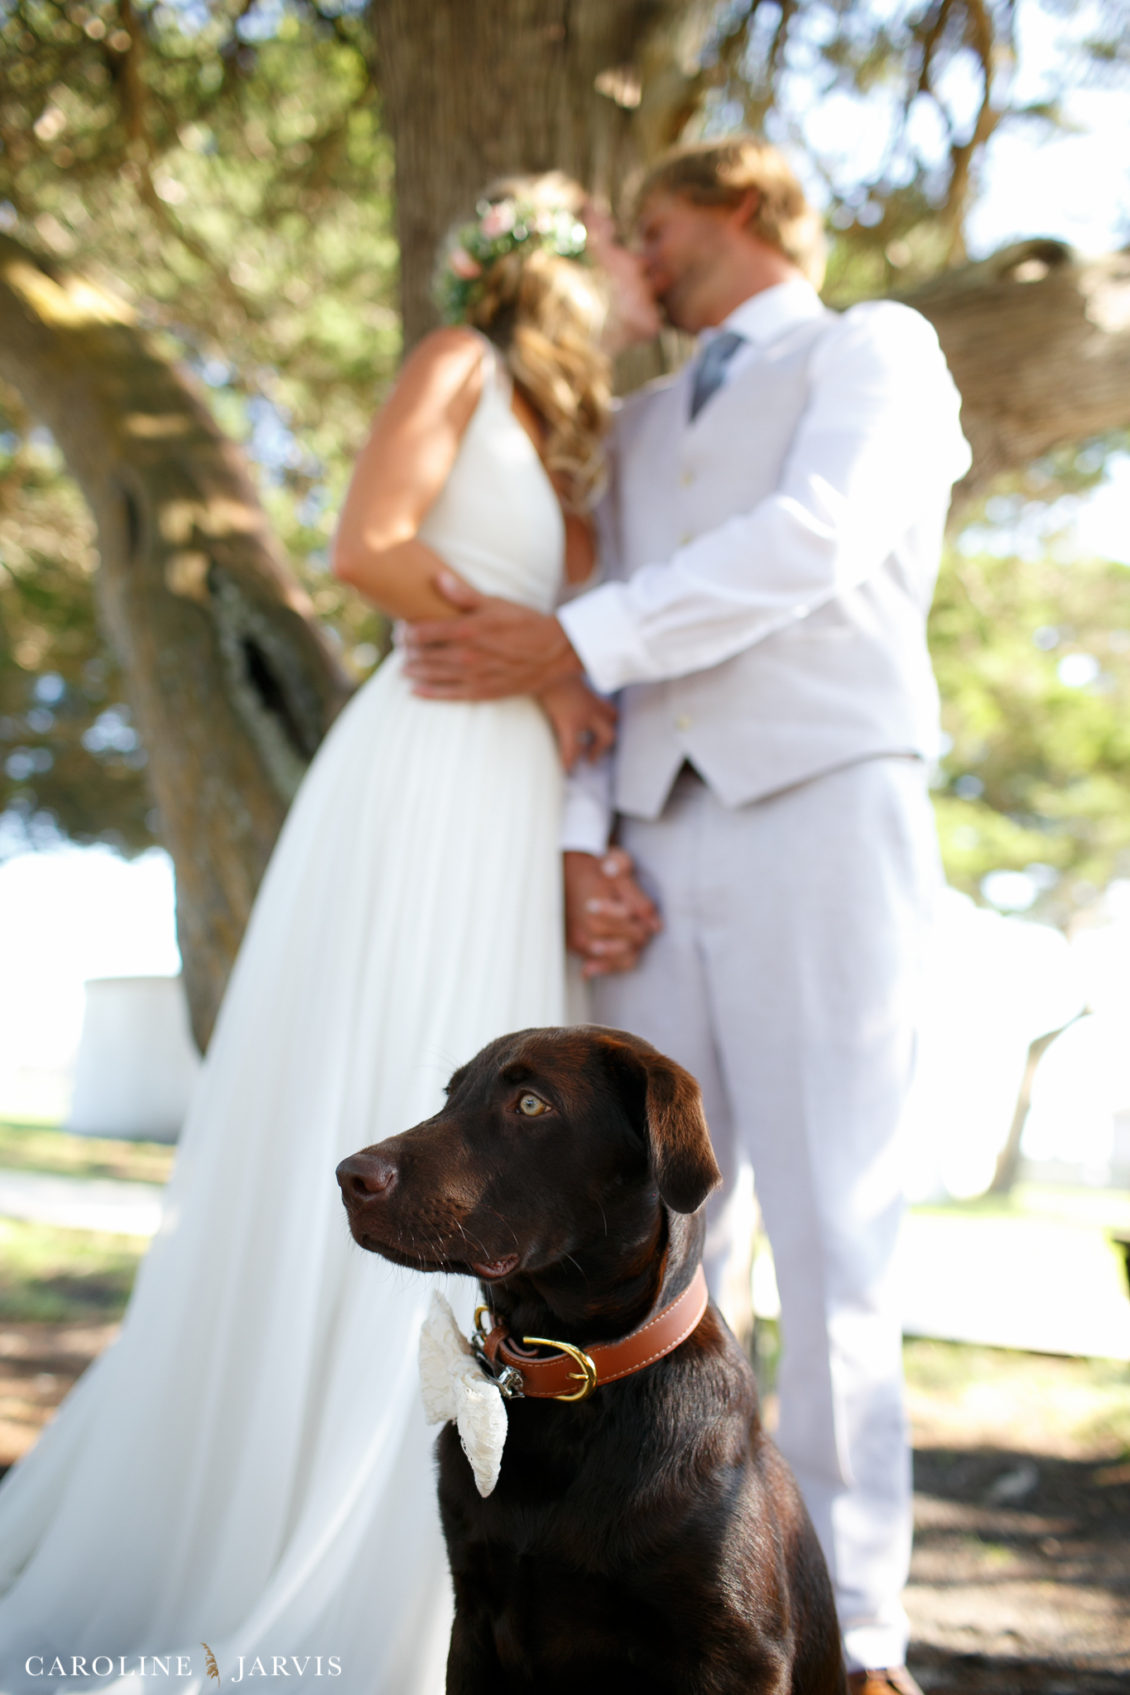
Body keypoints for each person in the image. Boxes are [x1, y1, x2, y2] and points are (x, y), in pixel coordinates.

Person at [0, 174, 653, 1695]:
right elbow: (368, 542)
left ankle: (488, 1543)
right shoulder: (458, 362)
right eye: (608, 239)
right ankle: (310, 1523)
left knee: (515, 1132)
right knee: (406, 1080)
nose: (630, 266)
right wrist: (543, 667)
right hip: (432, 757)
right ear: (541, 261)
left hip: (520, 796)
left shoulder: (586, 434)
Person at [400, 136, 972, 1695]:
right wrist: (584, 836)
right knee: (638, 1223)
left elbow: (815, 538)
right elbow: (605, 678)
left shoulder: (877, 349)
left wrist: (569, 631)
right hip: (649, 843)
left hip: (825, 812)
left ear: (730, 210)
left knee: (840, 1230)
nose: (623, 251)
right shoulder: (639, 421)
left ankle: (859, 1627)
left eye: (645, 225)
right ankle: (606, 1591)